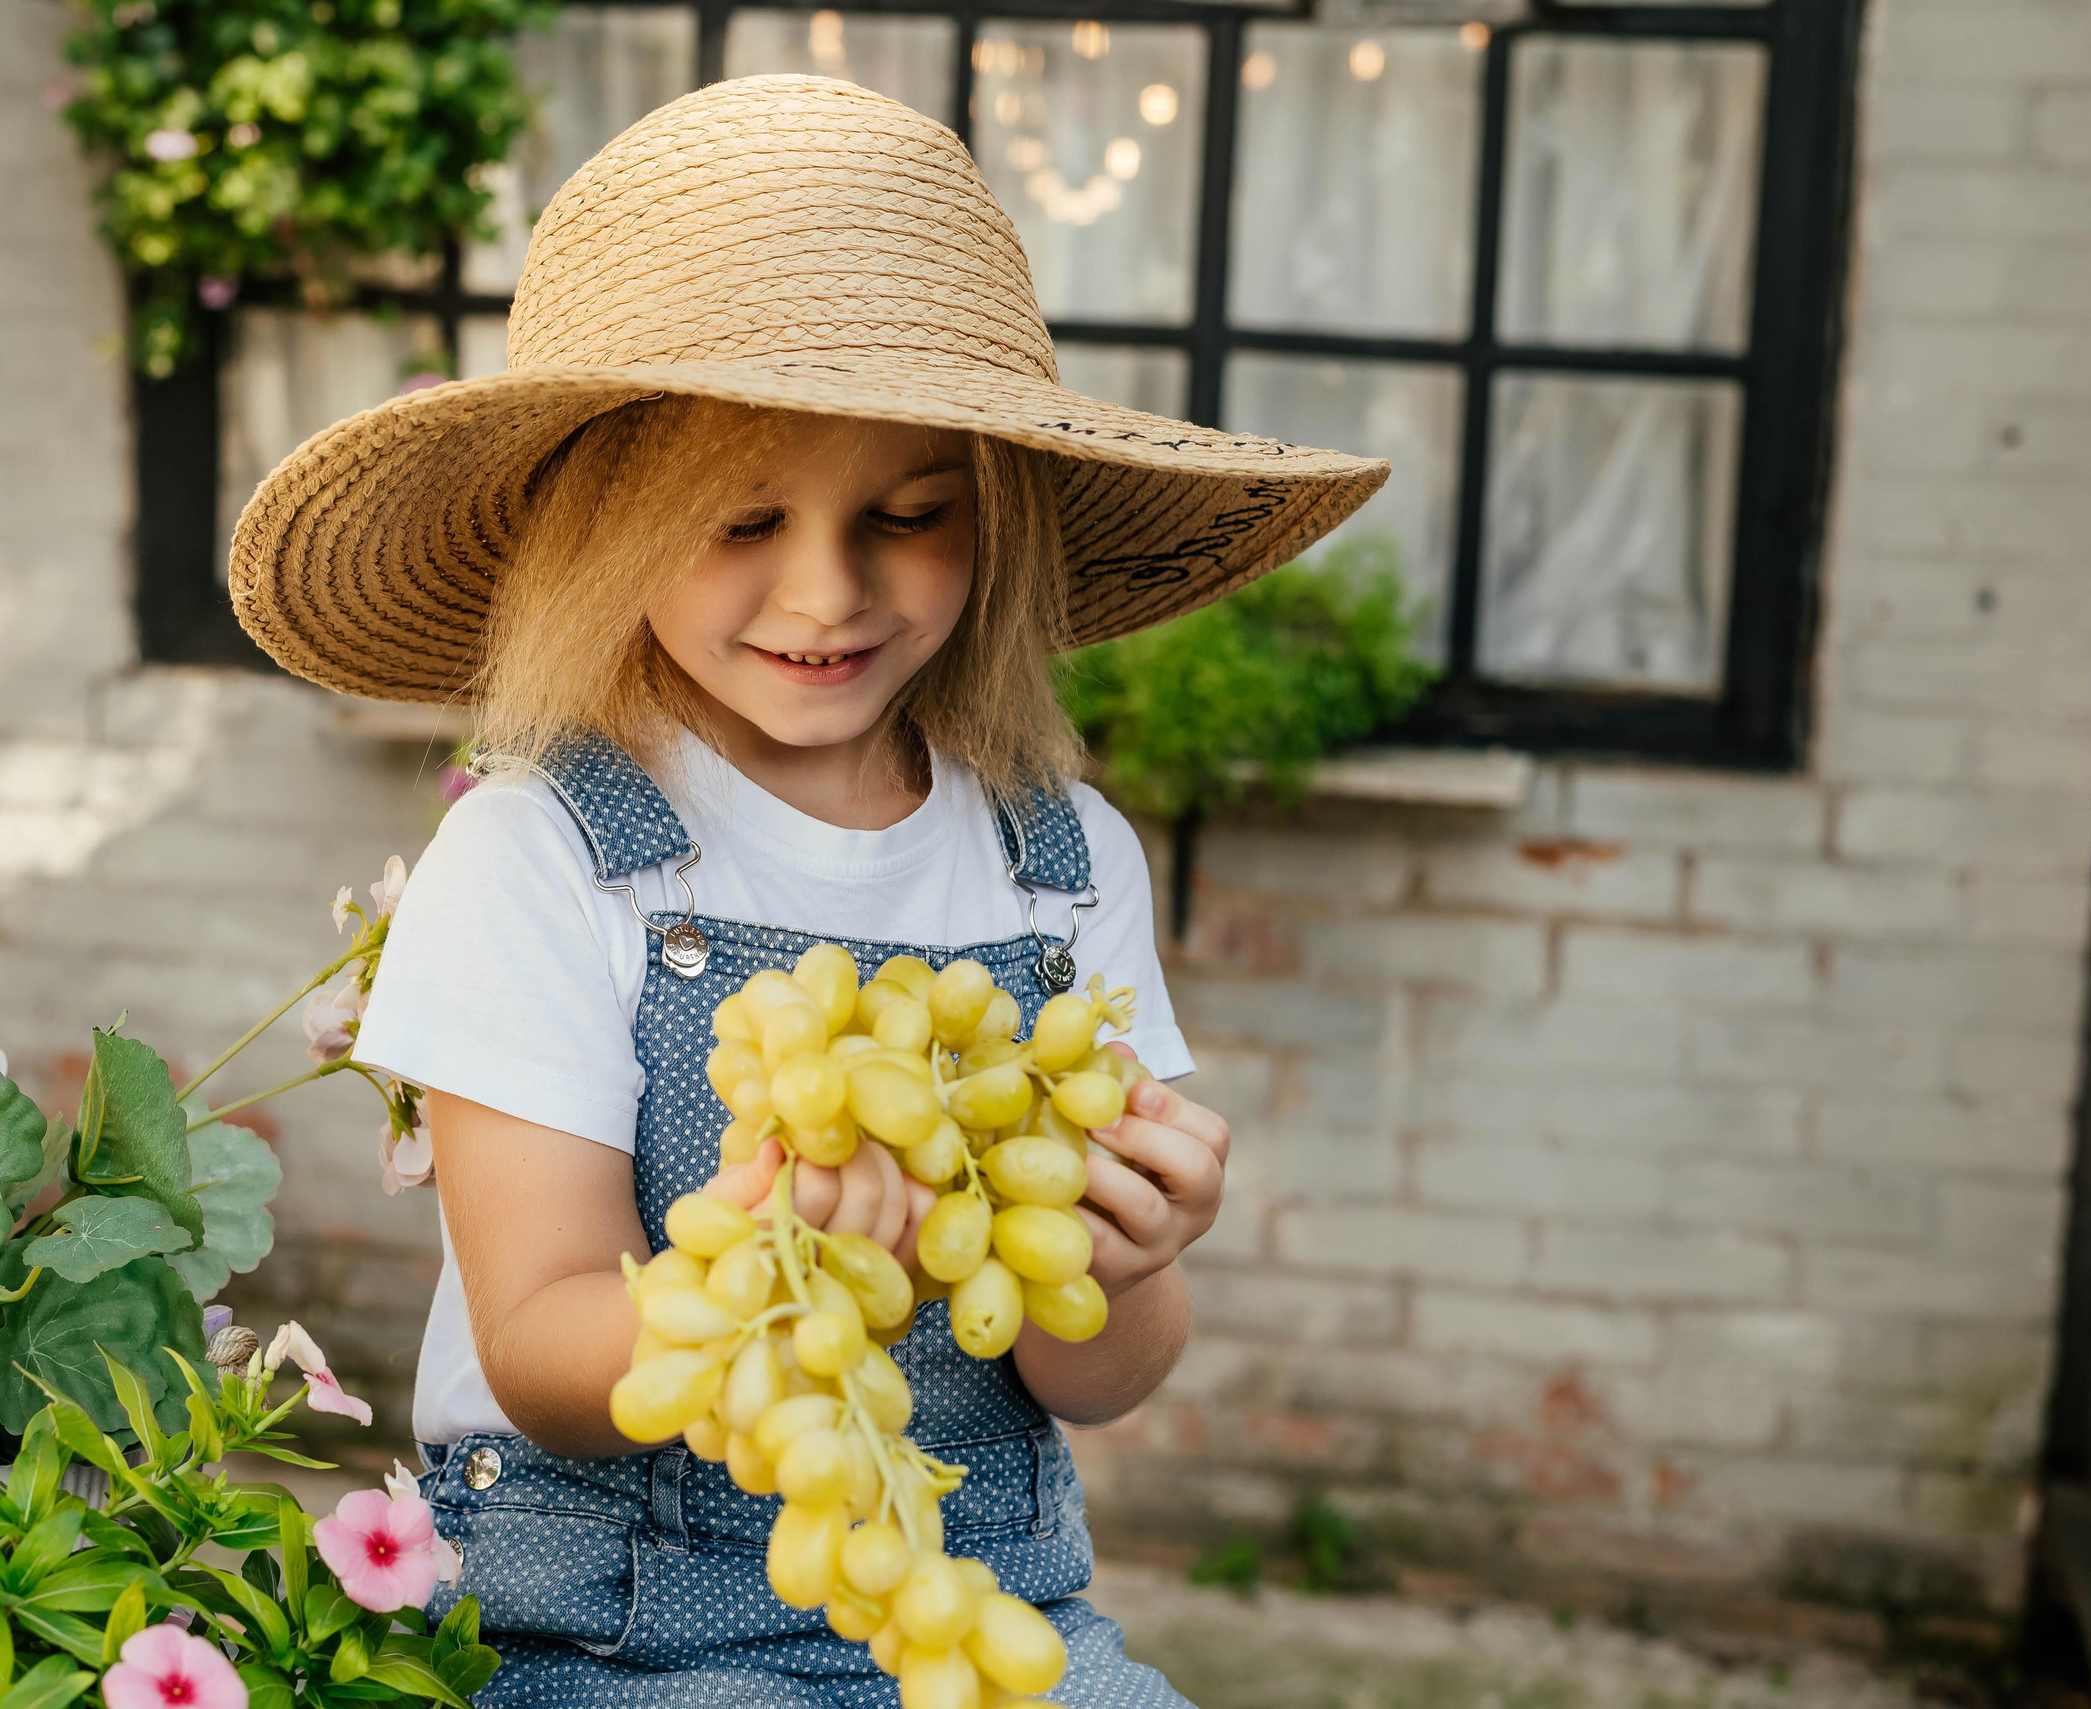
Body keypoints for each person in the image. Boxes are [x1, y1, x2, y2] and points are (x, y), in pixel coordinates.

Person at [229, 73, 1386, 1709]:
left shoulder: (1060, 866)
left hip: (980, 1622)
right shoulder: (546, 850)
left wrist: (1124, 1259)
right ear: (606, 532)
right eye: (742, 520)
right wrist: (755, 1267)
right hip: (620, 1640)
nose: (828, 590)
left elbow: (1099, 1372)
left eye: (908, 516)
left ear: (993, 519)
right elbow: (544, 1351)